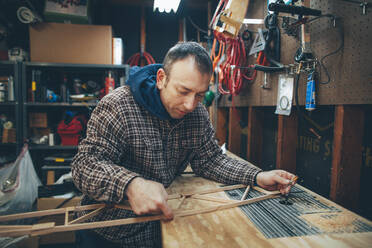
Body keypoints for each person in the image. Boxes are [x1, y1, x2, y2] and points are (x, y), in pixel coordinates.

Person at [71, 41, 295, 248]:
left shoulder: (197, 114)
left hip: (158, 232)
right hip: (108, 234)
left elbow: (210, 160)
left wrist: (257, 176)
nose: (190, 105)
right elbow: (85, 165)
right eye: (183, 91)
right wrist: (131, 185)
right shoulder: (119, 106)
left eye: (199, 95)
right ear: (161, 79)